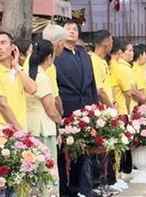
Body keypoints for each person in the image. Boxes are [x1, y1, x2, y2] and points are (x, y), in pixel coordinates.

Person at [54, 21, 98, 197]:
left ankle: (82, 187)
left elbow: (92, 82)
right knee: (66, 151)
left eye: (75, 29)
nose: (72, 32)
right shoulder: (57, 55)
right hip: (67, 106)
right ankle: (67, 190)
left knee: (84, 150)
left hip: (85, 106)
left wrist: (94, 107)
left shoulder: (83, 54)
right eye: (68, 29)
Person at [26, 40, 62, 196]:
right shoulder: (42, 77)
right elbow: (50, 109)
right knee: (48, 171)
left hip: (31, 127)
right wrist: (61, 122)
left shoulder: (26, 74)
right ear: (50, 57)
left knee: (34, 173)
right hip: (44, 129)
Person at [0, 30, 37, 130]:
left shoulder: (17, 70)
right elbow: (2, 105)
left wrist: (16, 66)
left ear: (13, 47)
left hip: (20, 131)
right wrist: (19, 130)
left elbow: (33, 89)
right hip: (3, 131)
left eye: (3, 43)